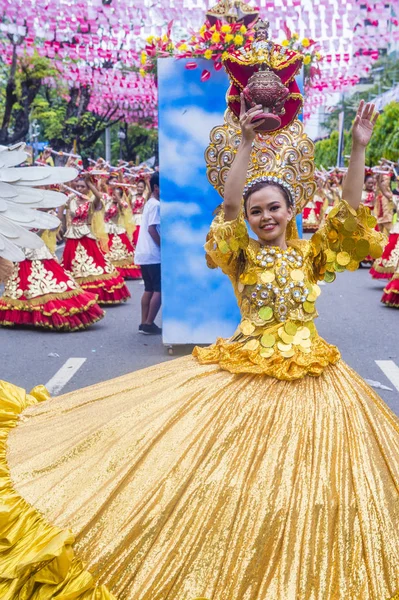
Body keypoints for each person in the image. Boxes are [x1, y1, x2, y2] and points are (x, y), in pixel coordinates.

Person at [1, 98, 399, 600]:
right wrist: (247, 146)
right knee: (225, 481)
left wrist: (359, 148)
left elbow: (350, 210)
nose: (265, 216)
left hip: (317, 382)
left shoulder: (312, 257)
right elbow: (229, 207)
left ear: (291, 210)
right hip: (245, 374)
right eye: (258, 211)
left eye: (274, 207)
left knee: (314, 486)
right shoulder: (241, 258)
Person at [0, 222, 104, 330]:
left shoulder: (39, 215)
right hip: (26, 252)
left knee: (42, 285)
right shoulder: (21, 215)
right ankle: (28, 315)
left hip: (36, 251)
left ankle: (50, 314)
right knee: (25, 286)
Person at [62, 174, 130, 304]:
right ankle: (77, 295)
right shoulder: (71, 200)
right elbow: (66, 217)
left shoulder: (91, 202)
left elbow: (99, 197)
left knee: (93, 264)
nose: (79, 189)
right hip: (72, 236)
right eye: (78, 186)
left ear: (88, 188)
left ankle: (96, 293)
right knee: (71, 265)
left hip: (87, 235)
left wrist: (92, 184)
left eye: (83, 186)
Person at [135, 172, 162, 334]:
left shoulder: (149, 203)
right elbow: (152, 228)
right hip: (153, 254)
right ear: (156, 188)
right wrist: (163, 247)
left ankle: (144, 322)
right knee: (159, 290)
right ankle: (149, 322)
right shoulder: (156, 205)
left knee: (149, 289)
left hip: (144, 254)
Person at [104, 186, 141, 279]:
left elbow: (124, 206)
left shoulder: (122, 204)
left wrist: (119, 198)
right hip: (108, 229)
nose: (114, 197)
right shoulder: (107, 202)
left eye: (116, 195)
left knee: (122, 252)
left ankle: (124, 272)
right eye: (113, 194)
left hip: (118, 230)